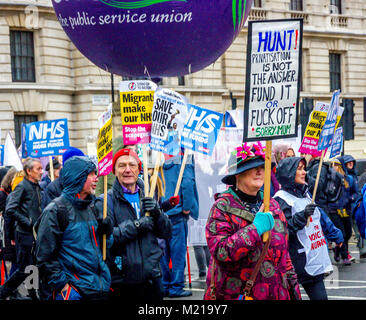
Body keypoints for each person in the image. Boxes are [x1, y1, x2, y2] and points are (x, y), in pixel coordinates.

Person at [204, 142, 301, 300]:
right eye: (251, 168)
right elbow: (221, 252)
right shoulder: (222, 207)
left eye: (263, 167)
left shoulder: (273, 205)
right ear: (237, 175)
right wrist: (255, 230)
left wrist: (293, 289)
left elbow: (284, 255)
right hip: (239, 294)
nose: (259, 171)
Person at [36, 156, 112, 300]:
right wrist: (64, 288)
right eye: (91, 174)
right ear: (77, 177)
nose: (96, 178)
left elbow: (103, 249)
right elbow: (44, 256)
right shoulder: (56, 210)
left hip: (98, 289)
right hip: (74, 292)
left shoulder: (93, 207)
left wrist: (107, 234)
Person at [100, 148, 172, 301]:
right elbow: (109, 238)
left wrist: (158, 214)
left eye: (132, 165)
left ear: (139, 169)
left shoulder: (148, 195)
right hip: (122, 281)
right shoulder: (106, 201)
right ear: (114, 170)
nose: (127, 170)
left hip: (152, 279)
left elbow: (166, 232)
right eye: (121, 165)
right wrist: (138, 225)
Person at [274, 157, 344, 300]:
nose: (304, 172)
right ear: (288, 173)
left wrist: (335, 234)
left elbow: (319, 217)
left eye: (304, 168)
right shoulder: (280, 199)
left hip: (314, 260)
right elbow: (282, 231)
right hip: (296, 262)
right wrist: (302, 216)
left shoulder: (305, 193)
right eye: (299, 169)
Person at [0, 158, 43, 300]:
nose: (41, 172)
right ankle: (3, 292)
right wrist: (27, 221)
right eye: (38, 169)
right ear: (29, 171)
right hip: (24, 234)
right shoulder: (22, 186)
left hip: (34, 234)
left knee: (32, 266)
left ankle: (32, 294)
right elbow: (10, 209)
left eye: (41, 168)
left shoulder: (37, 186)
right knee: (24, 268)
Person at [160, 150, 199, 298]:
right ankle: (176, 286)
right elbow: (188, 183)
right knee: (178, 253)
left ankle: (165, 285)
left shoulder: (157, 158)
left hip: (161, 211)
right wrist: (187, 207)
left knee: (163, 253)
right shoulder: (185, 159)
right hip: (176, 212)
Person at [327, 159, 354, 265]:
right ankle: (345, 255)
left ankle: (337, 249)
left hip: (346, 210)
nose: (334, 167)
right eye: (332, 165)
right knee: (341, 233)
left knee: (348, 233)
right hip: (334, 210)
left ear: (340, 166)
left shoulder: (349, 179)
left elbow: (355, 192)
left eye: (336, 165)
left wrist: (350, 200)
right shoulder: (330, 179)